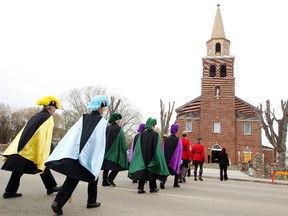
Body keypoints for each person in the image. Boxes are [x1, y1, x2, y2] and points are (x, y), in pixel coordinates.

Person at [45, 95, 110, 215]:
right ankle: (90, 201)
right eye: (104, 107)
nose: (104, 110)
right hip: (88, 156)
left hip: (75, 154)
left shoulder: (83, 118)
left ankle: (59, 203)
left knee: (73, 178)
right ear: (100, 108)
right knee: (92, 174)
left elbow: (73, 135)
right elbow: (99, 142)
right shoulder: (101, 121)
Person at [1, 96, 62, 199]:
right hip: (30, 149)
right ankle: (9, 192)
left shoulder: (36, 116)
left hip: (23, 147)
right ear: (50, 108)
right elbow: (44, 136)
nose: (55, 111)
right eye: (54, 109)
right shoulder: (48, 118)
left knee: (31, 168)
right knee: (25, 169)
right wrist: (46, 150)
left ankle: (51, 186)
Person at [128, 117, 170, 194]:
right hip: (152, 157)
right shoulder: (155, 135)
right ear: (153, 126)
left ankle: (140, 188)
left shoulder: (141, 134)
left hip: (142, 157)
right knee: (151, 173)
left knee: (142, 172)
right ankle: (152, 188)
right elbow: (158, 148)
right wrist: (159, 158)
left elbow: (138, 147)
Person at [102, 113, 129, 187]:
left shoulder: (107, 128)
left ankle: (104, 181)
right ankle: (110, 179)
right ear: (116, 121)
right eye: (119, 120)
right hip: (115, 151)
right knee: (117, 166)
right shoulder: (119, 129)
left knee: (106, 167)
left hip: (106, 150)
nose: (119, 121)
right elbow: (122, 142)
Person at [160, 124, 182, 189]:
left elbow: (163, 149)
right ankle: (175, 183)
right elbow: (179, 151)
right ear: (176, 131)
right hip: (174, 159)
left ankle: (163, 181)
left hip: (167, 158)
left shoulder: (167, 139)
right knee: (176, 170)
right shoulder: (178, 140)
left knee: (166, 170)